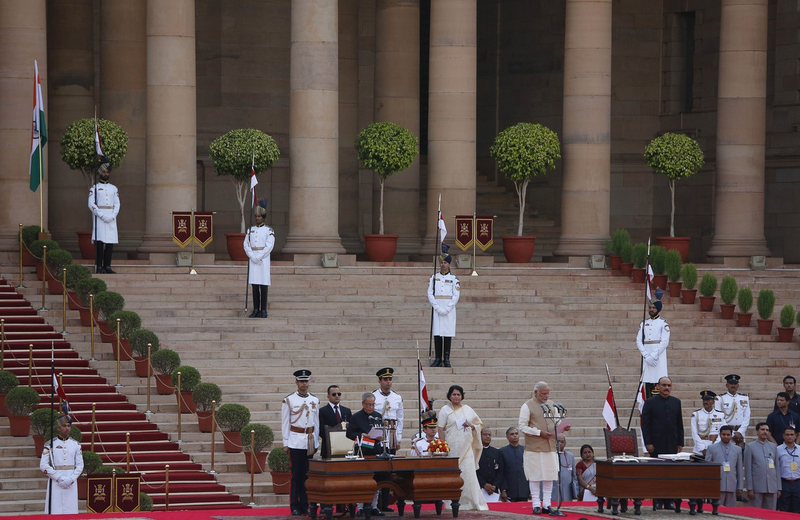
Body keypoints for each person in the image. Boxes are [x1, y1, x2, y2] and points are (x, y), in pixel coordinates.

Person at [519, 381, 570, 515]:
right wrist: (538, 432)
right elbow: (522, 426)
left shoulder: (552, 405)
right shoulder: (527, 405)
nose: (546, 396)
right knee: (535, 476)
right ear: (536, 392)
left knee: (549, 476)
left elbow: (557, 422)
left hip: (551, 446)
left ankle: (547, 504)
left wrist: (563, 427)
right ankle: (536, 504)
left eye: (548, 393)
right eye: (543, 393)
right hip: (534, 447)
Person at [438, 385, 488, 511]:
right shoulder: (445, 409)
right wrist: (442, 445)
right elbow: (440, 428)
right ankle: (454, 501)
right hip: (452, 446)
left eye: (458, 394)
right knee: (455, 474)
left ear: (462, 396)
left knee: (468, 474)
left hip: (467, 448)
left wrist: (471, 425)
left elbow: (478, 424)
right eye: (454, 394)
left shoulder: (468, 409)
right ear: (449, 395)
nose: (456, 397)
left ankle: (472, 502)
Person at [281, 369, 319, 516]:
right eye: (301, 381)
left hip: (309, 440)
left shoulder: (314, 400)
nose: (304, 384)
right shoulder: (289, 400)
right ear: (296, 382)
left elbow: (316, 422)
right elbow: (285, 423)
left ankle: (305, 504)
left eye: (306, 381)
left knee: (307, 475)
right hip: (295, 440)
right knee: (296, 475)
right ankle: (294, 505)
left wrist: (315, 442)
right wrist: (286, 442)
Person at [346, 393, 385, 517]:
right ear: (363, 404)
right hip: (363, 451)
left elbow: (382, 431)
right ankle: (361, 507)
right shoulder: (356, 417)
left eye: (373, 404)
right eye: (368, 405)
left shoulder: (378, 416)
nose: (371, 407)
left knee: (376, 480)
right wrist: (362, 435)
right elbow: (349, 433)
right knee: (362, 480)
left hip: (376, 450)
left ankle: (374, 506)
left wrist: (381, 436)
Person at [372, 367, 403, 512]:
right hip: (379, 432)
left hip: (391, 433)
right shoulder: (374, 396)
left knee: (389, 470)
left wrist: (398, 438)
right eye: (385, 379)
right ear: (379, 381)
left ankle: (385, 503)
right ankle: (375, 503)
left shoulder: (397, 397)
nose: (388, 382)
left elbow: (400, 419)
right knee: (379, 469)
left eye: (390, 379)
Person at [40, 414, 84, 514]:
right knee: (55, 509)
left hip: (71, 482)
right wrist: (59, 478)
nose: (67, 428)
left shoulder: (75, 445)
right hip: (55, 481)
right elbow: (43, 465)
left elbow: (80, 465)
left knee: (70, 509)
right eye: (64, 426)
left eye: (68, 426)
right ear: (59, 428)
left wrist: (71, 479)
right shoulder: (50, 444)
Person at [427, 244, 460, 367]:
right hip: (437, 307)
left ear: (449, 264)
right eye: (441, 262)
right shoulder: (434, 277)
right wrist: (436, 307)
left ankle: (446, 359)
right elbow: (430, 293)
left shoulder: (454, 279)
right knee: (437, 333)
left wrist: (447, 308)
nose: (443, 264)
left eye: (445, 262)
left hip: (449, 309)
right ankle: (438, 358)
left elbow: (456, 295)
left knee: (447, 333)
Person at [88, 156, 120, 274]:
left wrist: (112, 215)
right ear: (100, 173)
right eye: (104, 172)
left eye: (107, 172)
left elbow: (117, 203)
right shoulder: (95, 188)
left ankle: (107, 266)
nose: (106, 174)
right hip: (100, 217)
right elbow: (91, 204)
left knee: (110, 243)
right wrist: (101, 215)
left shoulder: (113, 188)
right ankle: (99, 266)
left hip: (111, 217)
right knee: (100, 243)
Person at [244, 198, 275, 318]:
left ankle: (263, 310)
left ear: (263, 217)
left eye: (259, 216)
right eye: (256, 216)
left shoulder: (269, 231)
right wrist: (252, 255)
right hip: (253, 258)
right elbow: (245, 244)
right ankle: (256, 309)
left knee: (263, 284)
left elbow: (269, 246)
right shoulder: (250, 230)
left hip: (263, 260)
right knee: (255, 285)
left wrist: (259, 256)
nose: (257, 218)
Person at [641, 376, 684, 457]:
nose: (666, 388)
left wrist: (680, 443)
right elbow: (645, 425)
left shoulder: (676, 402)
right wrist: (648, 443)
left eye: (669, 385)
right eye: (664, 385)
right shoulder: (649, 402)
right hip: (656, 443)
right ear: (658, 386)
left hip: (672, 442)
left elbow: (679, 423)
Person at [636, 299, 670, 396]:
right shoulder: (643, 323)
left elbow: (664, 342)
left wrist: (653, 356)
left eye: (654, 308)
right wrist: (646, 356)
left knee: (659, 381)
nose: (651, 309)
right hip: (647, 355)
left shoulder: (663, 323)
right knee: (647, 382)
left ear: (658, 309)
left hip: (658, 356)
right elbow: (639, 340)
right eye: (650, 307)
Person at [744, 422, 781, 510]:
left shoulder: (773, 446)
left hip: (771, 486)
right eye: (762, 430)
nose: (765, 432)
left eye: (767, 430)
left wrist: (779, 487)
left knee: (770, 514)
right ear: (757, 432)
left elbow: (777, 468)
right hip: (757, 487)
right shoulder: (750, 447)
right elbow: (748, 469)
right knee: (755, 514)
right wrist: (750, 488)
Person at [705, 425, 744, 509]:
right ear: (720, 435)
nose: (726, 437)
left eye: (728, 435)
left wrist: (740, 486)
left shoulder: (737, 449)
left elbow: (739, 469)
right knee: (716, 510)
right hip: (717, 485)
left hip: (732, 484)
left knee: (731, 511)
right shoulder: (712, 448)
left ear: (731, 435)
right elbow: (708, 468)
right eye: (724, 434)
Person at [319, 385, 352, 459]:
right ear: (328, 396)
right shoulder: (322, 411)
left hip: (345, 446)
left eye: (339, 394)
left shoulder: (346, 411)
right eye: (334, 394)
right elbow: (321, 430)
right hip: (329, 447)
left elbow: (351, 427)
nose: (337, 396)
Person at [715, 374, 750, 443]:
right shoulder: (720, 399)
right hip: (726, 433)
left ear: (738, 385)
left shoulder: (744, 398)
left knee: (739, 452)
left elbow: (747, 417)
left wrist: (740, 432)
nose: (733, 386)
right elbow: (719, 418)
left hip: (740, 433)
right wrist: (730, 433)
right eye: (731, 383)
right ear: (727, 385)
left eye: (735, 383)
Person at [691, 390, 726, 456]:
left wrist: (715, 447)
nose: (705, 402)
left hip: (716, 448)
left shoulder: (720, 415)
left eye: (708, 400)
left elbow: (722, 432)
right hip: (700, 449)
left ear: (713, 401)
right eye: (704, 400)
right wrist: (702, 449)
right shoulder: (696, 414)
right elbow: (694, 433)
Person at [499, 427, 529, 502]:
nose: (515, 436)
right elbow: (501, 472)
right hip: (510, 490)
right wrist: (503, 489)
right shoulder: (502, 451)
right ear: (507, 437)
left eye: (516, 434)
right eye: (512, 434)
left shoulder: (525, 450)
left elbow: (530, 470)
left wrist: (530, 490)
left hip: (524, 489)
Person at [477, 427, 505, 503]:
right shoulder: (476, 452)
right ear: (480, 436)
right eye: (485, 434)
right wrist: (484, 484)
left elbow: (500, 471)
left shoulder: (496, 452)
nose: (487, 436)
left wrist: (494, 485)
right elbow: (474, 471)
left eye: (489, 435)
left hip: (493, 490)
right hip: (479, 488)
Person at [776, 427, 800, 512]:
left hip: (798, 483)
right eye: (787, 435)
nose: (789, 436)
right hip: (784, 483)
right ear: (783, 436)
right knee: (784, 510)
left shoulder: (799, 450)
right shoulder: (778, 450)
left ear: (796, 436)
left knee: (797, 510)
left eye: (792, 434)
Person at [550, 434, 578, 503]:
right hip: (553, 489)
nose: (560, 444)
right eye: (558, 441)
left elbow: (574, 475)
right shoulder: (550, 455)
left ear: (565, 443)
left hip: (567, 489)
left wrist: (575, 490)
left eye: (562, 442)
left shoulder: (570, 456)